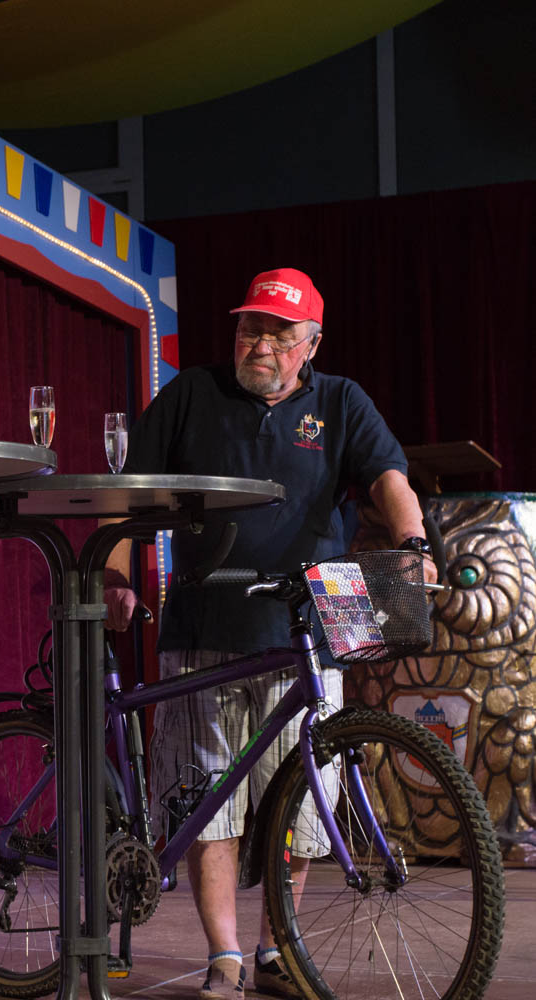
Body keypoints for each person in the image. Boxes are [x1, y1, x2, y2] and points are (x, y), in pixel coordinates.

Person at [102, 268, 436, 1000]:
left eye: (280, 335)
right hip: (206, 618)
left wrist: (413, 543)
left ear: (312, 344)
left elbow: (389, 477)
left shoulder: (341, 400)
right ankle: (225, 955)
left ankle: (274, 948)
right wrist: (117, 574)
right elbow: (130, 491)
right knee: (207, 800)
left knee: (302, 800)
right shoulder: (192, 393)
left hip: (316, 618)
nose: (260, 345)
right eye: (250, 328)